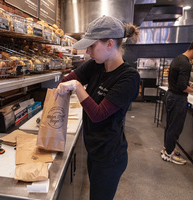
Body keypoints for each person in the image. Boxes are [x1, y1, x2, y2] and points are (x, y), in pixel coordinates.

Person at [54, 15, 140, 200]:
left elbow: (98, 114)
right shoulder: (95, 66)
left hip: (110, 157)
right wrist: (67, 86)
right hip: (94, 150)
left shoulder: (128, 77)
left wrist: (77, 87)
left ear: (110, 44)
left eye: (92, 46)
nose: (87, 51)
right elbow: (65, 81)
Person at [161, 38, 193, 165]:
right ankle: (169, 154)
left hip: (170, 95)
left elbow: (178, 80)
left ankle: (167, 149)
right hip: (177, 98)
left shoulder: (179, 58)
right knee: (175, 128)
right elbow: (182, 87)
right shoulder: (186, 64)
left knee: (170, 126)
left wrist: (191, 83)